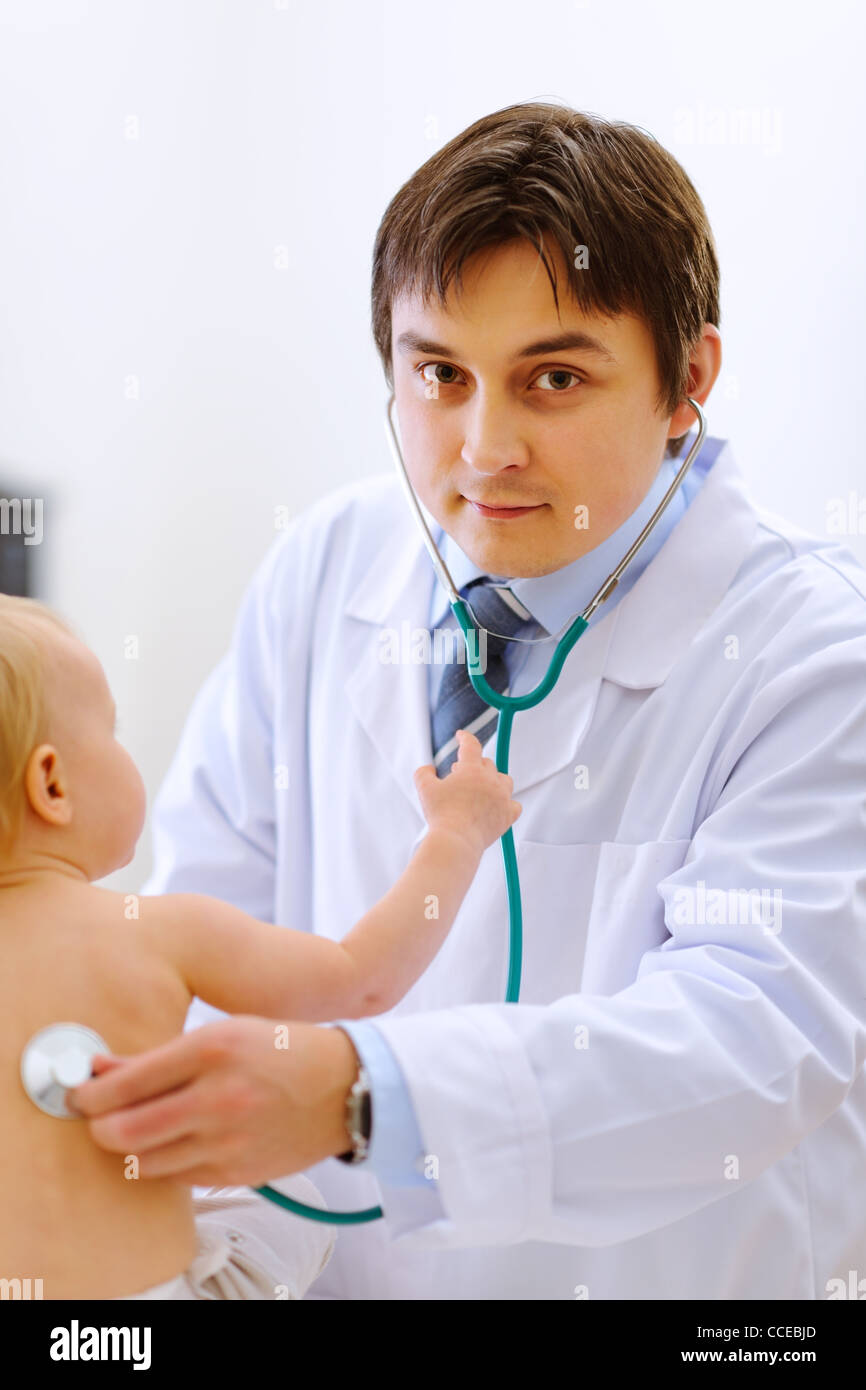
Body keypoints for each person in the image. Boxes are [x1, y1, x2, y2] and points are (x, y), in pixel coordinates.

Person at [72, 101, 866, 1300]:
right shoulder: (327, 567)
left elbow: (751, 1041)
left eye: (552, 376)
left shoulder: (812, 652)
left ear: (686, 376)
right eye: (438, 373)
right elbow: (202, 947)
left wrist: (361, 1094)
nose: (483, 446)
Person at [0, 594, 517, 1298]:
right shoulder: (155, 927)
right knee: (284, 1194)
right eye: (113, 731)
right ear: (52, 784)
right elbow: (360, 980)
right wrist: (456, 836)